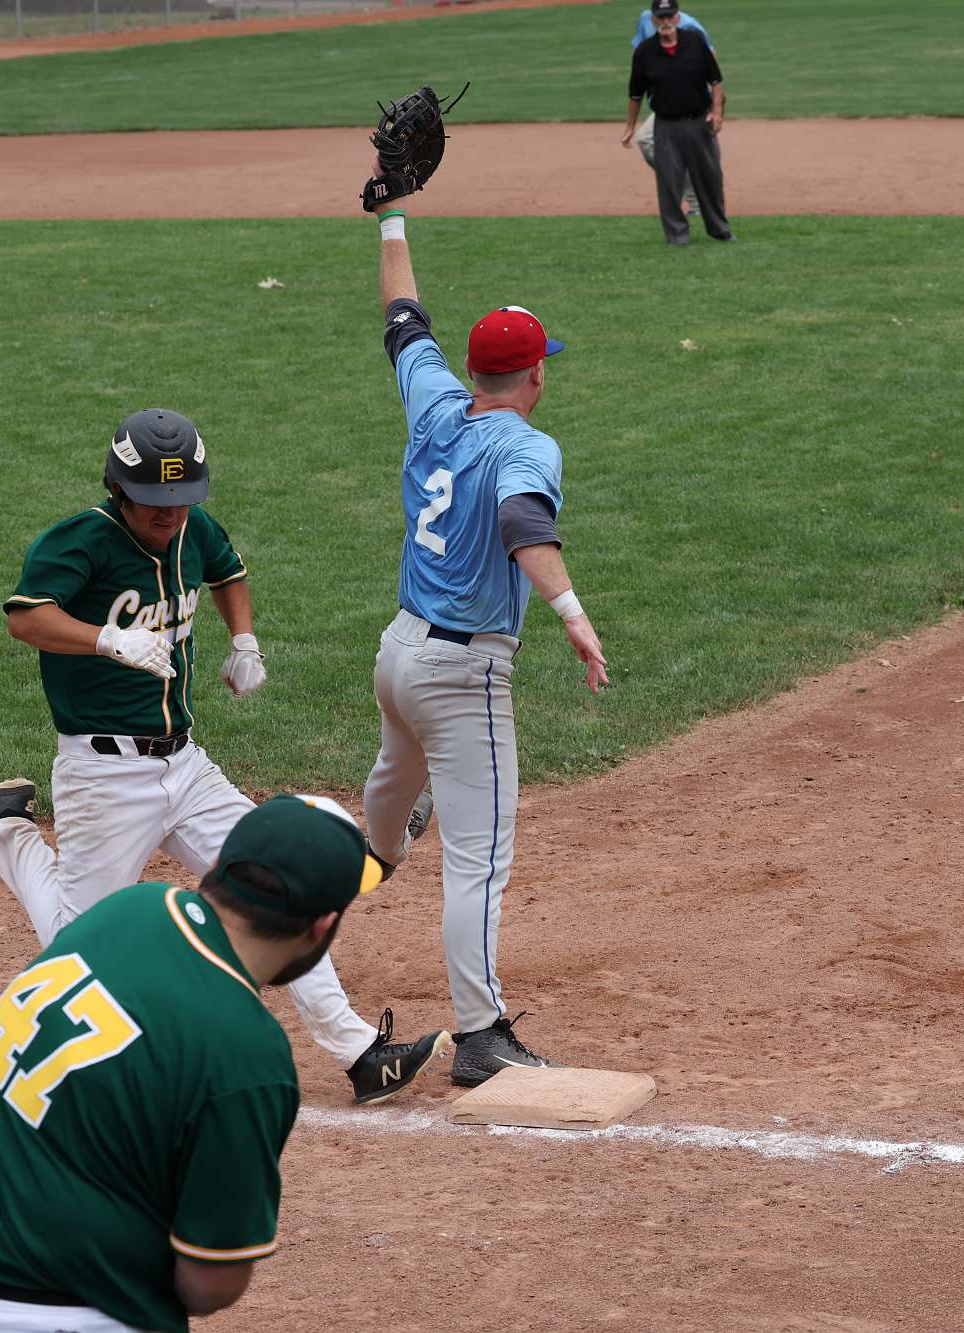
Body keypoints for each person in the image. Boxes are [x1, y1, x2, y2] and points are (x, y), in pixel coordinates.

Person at [0, 408, 449, 1106]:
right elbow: (25, 616)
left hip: (187, 766)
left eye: (180, 500)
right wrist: (106, 639)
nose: (169, 515)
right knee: (80, 942)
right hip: (103, 773)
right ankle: (3, 827)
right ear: (117, 489)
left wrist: (244, 639)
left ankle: (360, 1054)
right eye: (152, 502)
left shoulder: (195, 528)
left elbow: (229, 572)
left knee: (282, 888)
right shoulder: (80, 541)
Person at [0, 795, 393, 1333]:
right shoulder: (248, 1052)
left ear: (219, 865)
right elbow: (210, 1283)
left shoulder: (127, 909)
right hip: (56, 1315)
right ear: (322, 926)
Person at [359, 191, 611, 1086]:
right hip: (462, 677)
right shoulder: (527, 449)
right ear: (536, 376)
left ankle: (365, 856)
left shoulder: (435, 401)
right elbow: (523, 525)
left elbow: (402, 314)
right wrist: (573, 615)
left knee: (389, 805)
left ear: (471, 369)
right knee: (479, 859)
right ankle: (480, 1034)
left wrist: (391, 215)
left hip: (397, 656)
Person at [622, 0, 731, 245]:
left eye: (670, 16)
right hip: (666, 124)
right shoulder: (644, 51)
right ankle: (677, 236)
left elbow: (716, 79)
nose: (665, 21)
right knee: (669, 184)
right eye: (660, 17)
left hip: (699, 120)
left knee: (711, 179)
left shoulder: (695, 39)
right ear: (653, 19)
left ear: (677, 17)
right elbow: (635, 93)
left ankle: (720, 230)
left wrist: (717, 111)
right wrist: (630, 126)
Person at [629, 2, 712, 218]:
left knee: (698, 154)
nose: (664, 20)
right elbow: (638, 54)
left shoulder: (691, 27)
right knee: (647, 141)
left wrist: (715, 106)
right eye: (660, 16)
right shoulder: (646, 19)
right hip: (666, 102)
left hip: (695, 102)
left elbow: (711, 62)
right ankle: (694, 194)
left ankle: (701, 199)